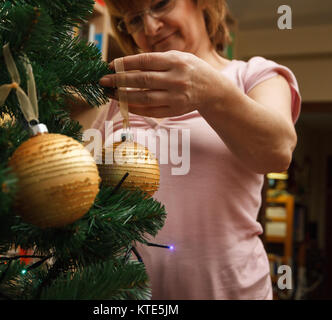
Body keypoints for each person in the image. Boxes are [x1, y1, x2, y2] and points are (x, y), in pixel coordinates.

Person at [90, 0, 301, 299]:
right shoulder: (119, 99)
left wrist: (208, 91)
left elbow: (277, 150)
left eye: (161, 4)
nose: (150, 27)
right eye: (134, 20)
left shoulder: (254, 75)